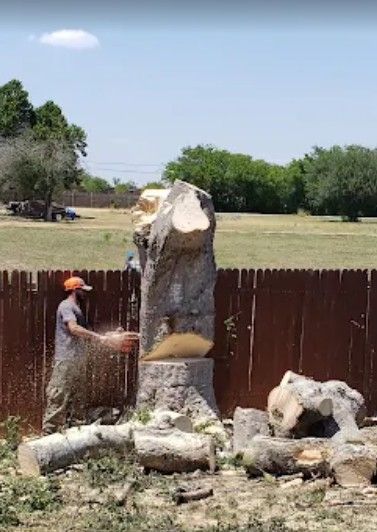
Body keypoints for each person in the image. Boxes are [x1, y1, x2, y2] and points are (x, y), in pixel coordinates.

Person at [42, 276, 135, 434]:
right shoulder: (66, 306)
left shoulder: (77, 309)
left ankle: (75, 434)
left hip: (77, 361)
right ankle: (47, 435)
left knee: (79, 400)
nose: (85, 293)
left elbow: (86, 334)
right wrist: (100, 338)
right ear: (74, 290)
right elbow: (74, 329)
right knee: (59, 397)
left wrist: (110, 335)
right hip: (66, 360)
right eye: (82, 290)